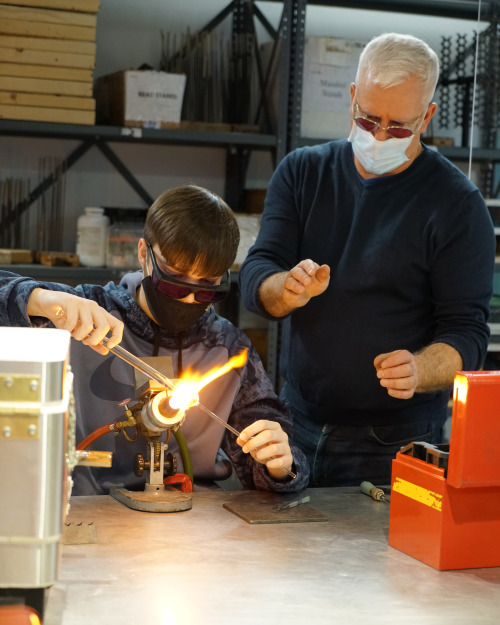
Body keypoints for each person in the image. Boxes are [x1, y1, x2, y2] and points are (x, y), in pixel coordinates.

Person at [238, 32, 496, 487]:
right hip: (294, 420)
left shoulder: (456, 204)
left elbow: (468, 334)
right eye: (368, 118)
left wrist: (420, 369)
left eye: (398, 127)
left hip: (394, 438)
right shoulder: (302, 173)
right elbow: (256, 278)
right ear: (353, 97)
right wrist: (285, 288)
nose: (379, 136)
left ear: (427, 117)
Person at [0, 185, 309, 495]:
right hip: (93, 516)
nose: (189, 299)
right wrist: (38, 300)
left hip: (195, 523)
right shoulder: (85, 316)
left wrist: (280, 467)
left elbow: (272, 463)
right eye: (174, 283)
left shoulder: (228, 347)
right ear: (143, 254)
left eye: (206, 287)